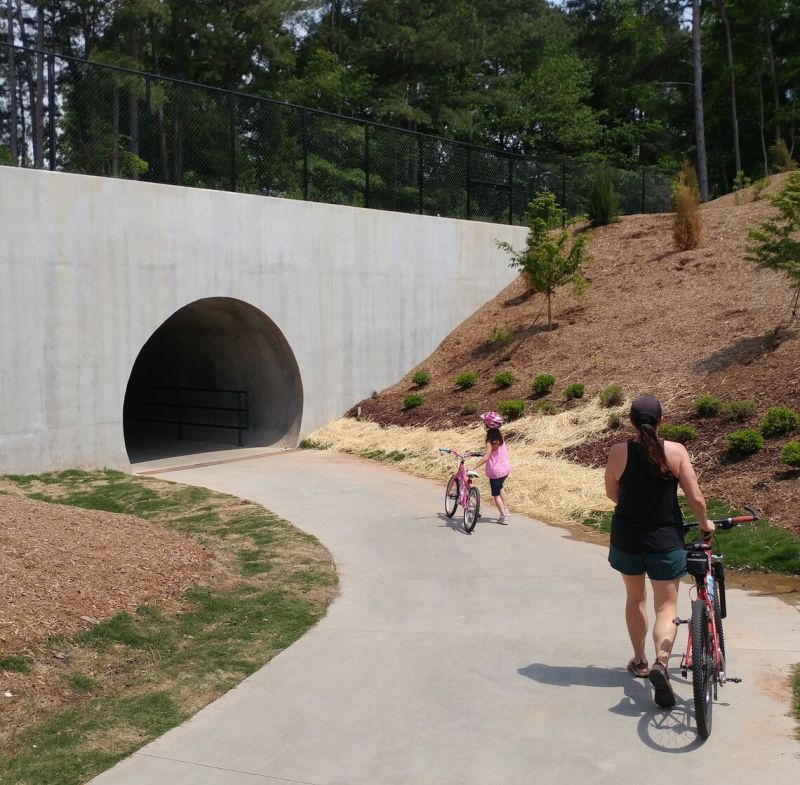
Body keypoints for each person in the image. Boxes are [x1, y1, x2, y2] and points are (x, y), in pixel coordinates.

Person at [604, 394, 715, 708]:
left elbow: (612, 494)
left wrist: (635, 506)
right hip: (665, 541)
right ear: (661, 420)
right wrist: (705, 523)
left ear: (631, 422)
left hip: (627, 539)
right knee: (666, 608)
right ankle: (661, 664)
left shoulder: (618, 452)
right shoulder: (676, 452)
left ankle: (639, 660)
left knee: (635, 599)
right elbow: (696, 498)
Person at [473, 412, 511, 524]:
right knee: (501, 488)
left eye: (484, 422)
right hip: (505, 469)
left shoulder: (490, 441)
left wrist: (474, 467)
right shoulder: (500, 437)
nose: (483, 424)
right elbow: (494, 452)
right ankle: (506, 509)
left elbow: (486, 457)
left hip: (495, 472)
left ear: (488, 425)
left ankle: (503, 516)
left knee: (496, 494)